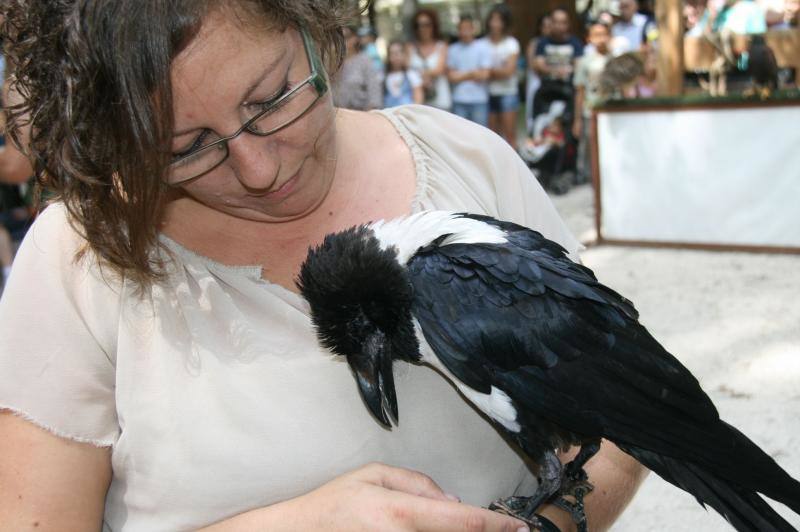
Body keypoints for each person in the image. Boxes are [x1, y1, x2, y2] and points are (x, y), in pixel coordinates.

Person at [0, 2, 648, 531]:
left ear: (316, 26)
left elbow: (627, 417)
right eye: (186, 147)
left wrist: (545, 527)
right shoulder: (78, 260)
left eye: (271, 99)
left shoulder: (465, 163)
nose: (260, 170)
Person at [573, 21, 613, 185]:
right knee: (590, 146)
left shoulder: (614, 60)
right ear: (589, 38)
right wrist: (577, 119)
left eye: (604, 34)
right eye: (596, 35)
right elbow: (580, 91)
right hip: (590, 111)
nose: (601, 39)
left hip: (611, 110)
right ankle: (592, 178)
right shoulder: (584, 62)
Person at [483, 4, 521, 150]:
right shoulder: (482, 43)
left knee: (510, 134)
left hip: (508, 92)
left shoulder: (511, 44)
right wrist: (498, 70)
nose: (495, 24)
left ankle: (514, 169)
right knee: (491, 136)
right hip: (488, 93)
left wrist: (489, 72)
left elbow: (509, 71)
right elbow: (481, 71)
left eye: (499, 20)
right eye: (492, 20)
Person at [447, 14, 493, 126]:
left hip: (479, 99)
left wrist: (461, 75)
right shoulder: (453, 49)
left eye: (467, 28)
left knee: (480, 135)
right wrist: (472, 73)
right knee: (460, 135)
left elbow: (485, 74)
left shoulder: (483, 47)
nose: (465, 32)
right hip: (459, 99)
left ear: (473, 29)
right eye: (462, 29)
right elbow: (451, 77)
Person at [407, 8, 452, 111]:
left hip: (440, 99)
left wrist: (420, 74)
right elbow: (407, 69)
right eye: (419, 25)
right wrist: (424, 76)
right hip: (418, 101)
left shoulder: (442, 46)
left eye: (427, 24)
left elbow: (439, 69)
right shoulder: (410, 47)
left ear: (433, 26)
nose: (422, 28)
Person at [332, 25, 382, 111]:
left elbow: (374, 91)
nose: (341, 42)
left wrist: (370, 113)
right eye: (337, 39)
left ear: (354, 39)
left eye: (345, 37)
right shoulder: (332, 63)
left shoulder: (364, 60)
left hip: (362, 114)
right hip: (340, 117)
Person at [525, 14, 552, 135]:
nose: (547, 29)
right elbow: (532, 65)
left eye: (549, 26)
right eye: (544, 26)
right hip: (537, 81)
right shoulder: (535, 43)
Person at [384, 40, 424, 108]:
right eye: (392, 53)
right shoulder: (384, 76)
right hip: (389, 113)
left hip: (407, 113)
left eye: (398, 53)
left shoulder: (411, 74)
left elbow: (418, 98)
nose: (396, 56)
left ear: (404, 54)